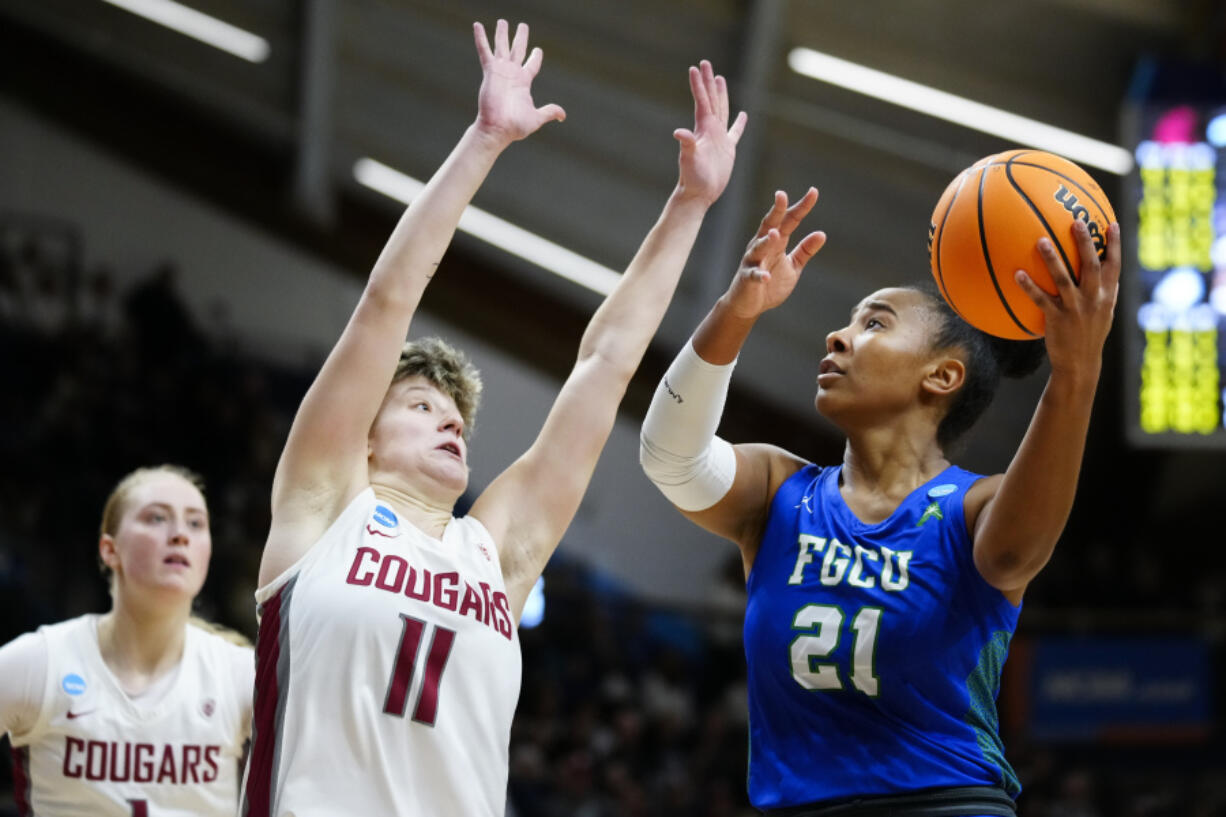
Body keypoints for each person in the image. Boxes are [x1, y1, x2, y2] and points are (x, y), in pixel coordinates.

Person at [241, 18, 746, 817]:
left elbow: (603, 367)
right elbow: (386, 304)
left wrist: (690, 205)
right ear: (363, 438)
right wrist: (484, 140)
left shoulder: (495, 552)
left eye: (458, 421)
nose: (450, 426)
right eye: (420, 405)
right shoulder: (326, 503)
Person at [640, 190, 1120, 815]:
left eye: (874, 324)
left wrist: (1076, 371)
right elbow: (670, 458)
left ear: (942, 376)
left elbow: (1014, 555)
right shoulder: (778, 491)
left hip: (943, 803)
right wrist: (737, 308)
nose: (837, 336)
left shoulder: (973, 505)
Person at [0, 465, 254, 816]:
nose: (180, 534)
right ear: (109, 550)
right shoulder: (41, 661)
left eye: (196, 523)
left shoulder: (239, 675)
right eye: (156, 518)